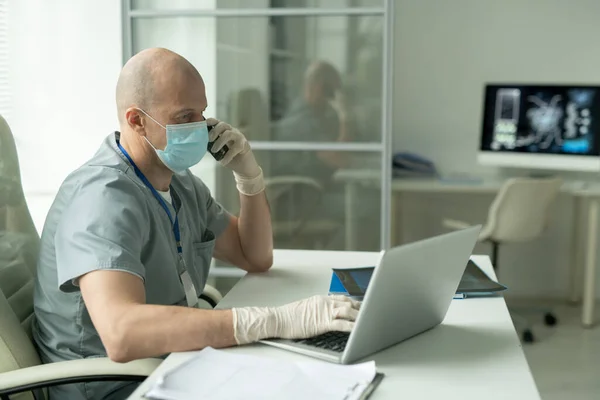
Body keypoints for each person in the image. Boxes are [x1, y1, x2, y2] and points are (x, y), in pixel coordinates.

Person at [32, 48, 360, 400]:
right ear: (136, 120)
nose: (200, 129)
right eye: (184, 115)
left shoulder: (181, 183)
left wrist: (249, 177)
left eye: (202, 113)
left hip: (176, 362)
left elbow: (255, 256)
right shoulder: (100, 198)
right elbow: (121, 334)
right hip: (116, 386)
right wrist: (271, 321)